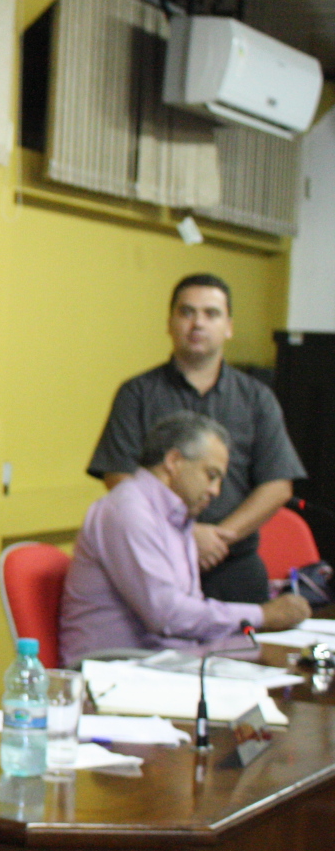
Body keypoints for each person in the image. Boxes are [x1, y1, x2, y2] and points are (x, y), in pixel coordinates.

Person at [87, 274, 305, 604]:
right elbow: (119, 476)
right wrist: (185, 537)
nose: (198, 323)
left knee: (252, 637)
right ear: (169, 323)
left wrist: (218, 538)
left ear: (229, 327)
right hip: (153, 562)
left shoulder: (256, 398)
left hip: (232, 562)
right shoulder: (137, 394)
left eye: (211, 313)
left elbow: (277, 485)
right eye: (187, 312)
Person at [62, 412, 309, 663]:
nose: (215, 491)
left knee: (286, 660)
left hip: (164, 660)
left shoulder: (176, 517)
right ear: (174, 461)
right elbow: (168, 616)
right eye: (211, 475)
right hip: (115, 668)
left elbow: (186, 620)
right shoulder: (128, 511)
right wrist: (262, 615)